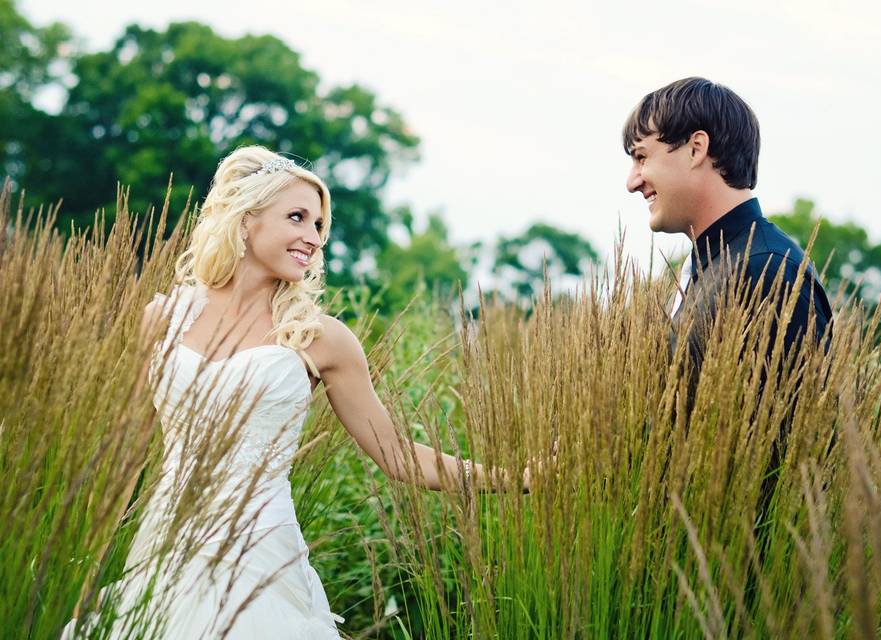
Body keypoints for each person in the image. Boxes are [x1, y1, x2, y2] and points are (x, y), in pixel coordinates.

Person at [62, 145, 529, 639]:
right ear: (247, 221)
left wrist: (519, 477)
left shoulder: (318, 337)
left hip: (261, 552)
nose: (313, 237)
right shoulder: (164, 318)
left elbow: (400, 457)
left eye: (319, 226)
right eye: (298, 218)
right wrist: (86, 567)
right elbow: (124, 457)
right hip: (166, 544)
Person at [623, 76, 833, 392]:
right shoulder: (709, 266)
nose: (632, 182)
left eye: (642, 157)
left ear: (695, 149)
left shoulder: (765, 270)